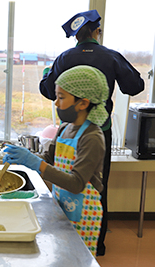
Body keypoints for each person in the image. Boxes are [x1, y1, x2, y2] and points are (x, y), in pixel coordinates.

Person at [39, 9, 145, 256]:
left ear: (76, 35)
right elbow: (135, 86)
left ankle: (63, 240)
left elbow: (47, 89)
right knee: (97, 185)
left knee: (65, 183)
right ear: (98, 31)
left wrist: (47, 74)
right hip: (100, 130)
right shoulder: (111, 56)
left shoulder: (64, 58)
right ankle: (97, 245)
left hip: (69, 131)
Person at [5, 65, 108, 256]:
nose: (56, 103)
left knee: (78, 258)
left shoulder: (92, 137)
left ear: (83, 103)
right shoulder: (64, 129)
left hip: (84, 213)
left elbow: (76, 183)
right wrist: (24, 159)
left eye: (61, 98)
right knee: (61, 254)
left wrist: (36, 163)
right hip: (62, 205)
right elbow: (48, 159)